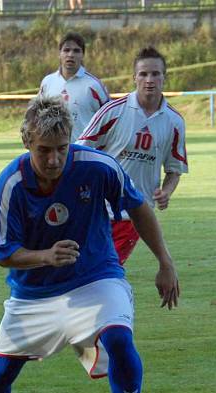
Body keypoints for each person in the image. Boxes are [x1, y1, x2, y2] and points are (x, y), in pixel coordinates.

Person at [0, 96, 179, 393]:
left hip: (96, 278)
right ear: (27, 143)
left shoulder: (97, 167)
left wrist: (165, 262)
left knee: (119, 340)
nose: (54, 159)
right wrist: (45, 256)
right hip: (33, 294)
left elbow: (138, 207)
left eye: (61, 149)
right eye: (44, 151)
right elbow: (2, 252)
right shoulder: (11, 183)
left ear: (71, 140)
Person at [77, 47, 187, 264]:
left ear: (164, 77)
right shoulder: (113, 111)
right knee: (86, 270)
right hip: (96, 208)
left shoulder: (174, 122)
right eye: (144, 74)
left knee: (102, 270)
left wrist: (166, 192)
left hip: (134, 215)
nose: (149, 80)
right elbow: (80, 150)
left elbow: (174, 169)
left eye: (155, 74)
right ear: (134, 77)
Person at [39, 32, 109, 142]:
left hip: (84, 152)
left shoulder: (94, 86)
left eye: (76, 51)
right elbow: (39, 115)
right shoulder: (48, 82)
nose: (70, 54)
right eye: (66, 50)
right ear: (59, 54)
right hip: (54, 152)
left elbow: (109, 120)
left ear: (82, 55)